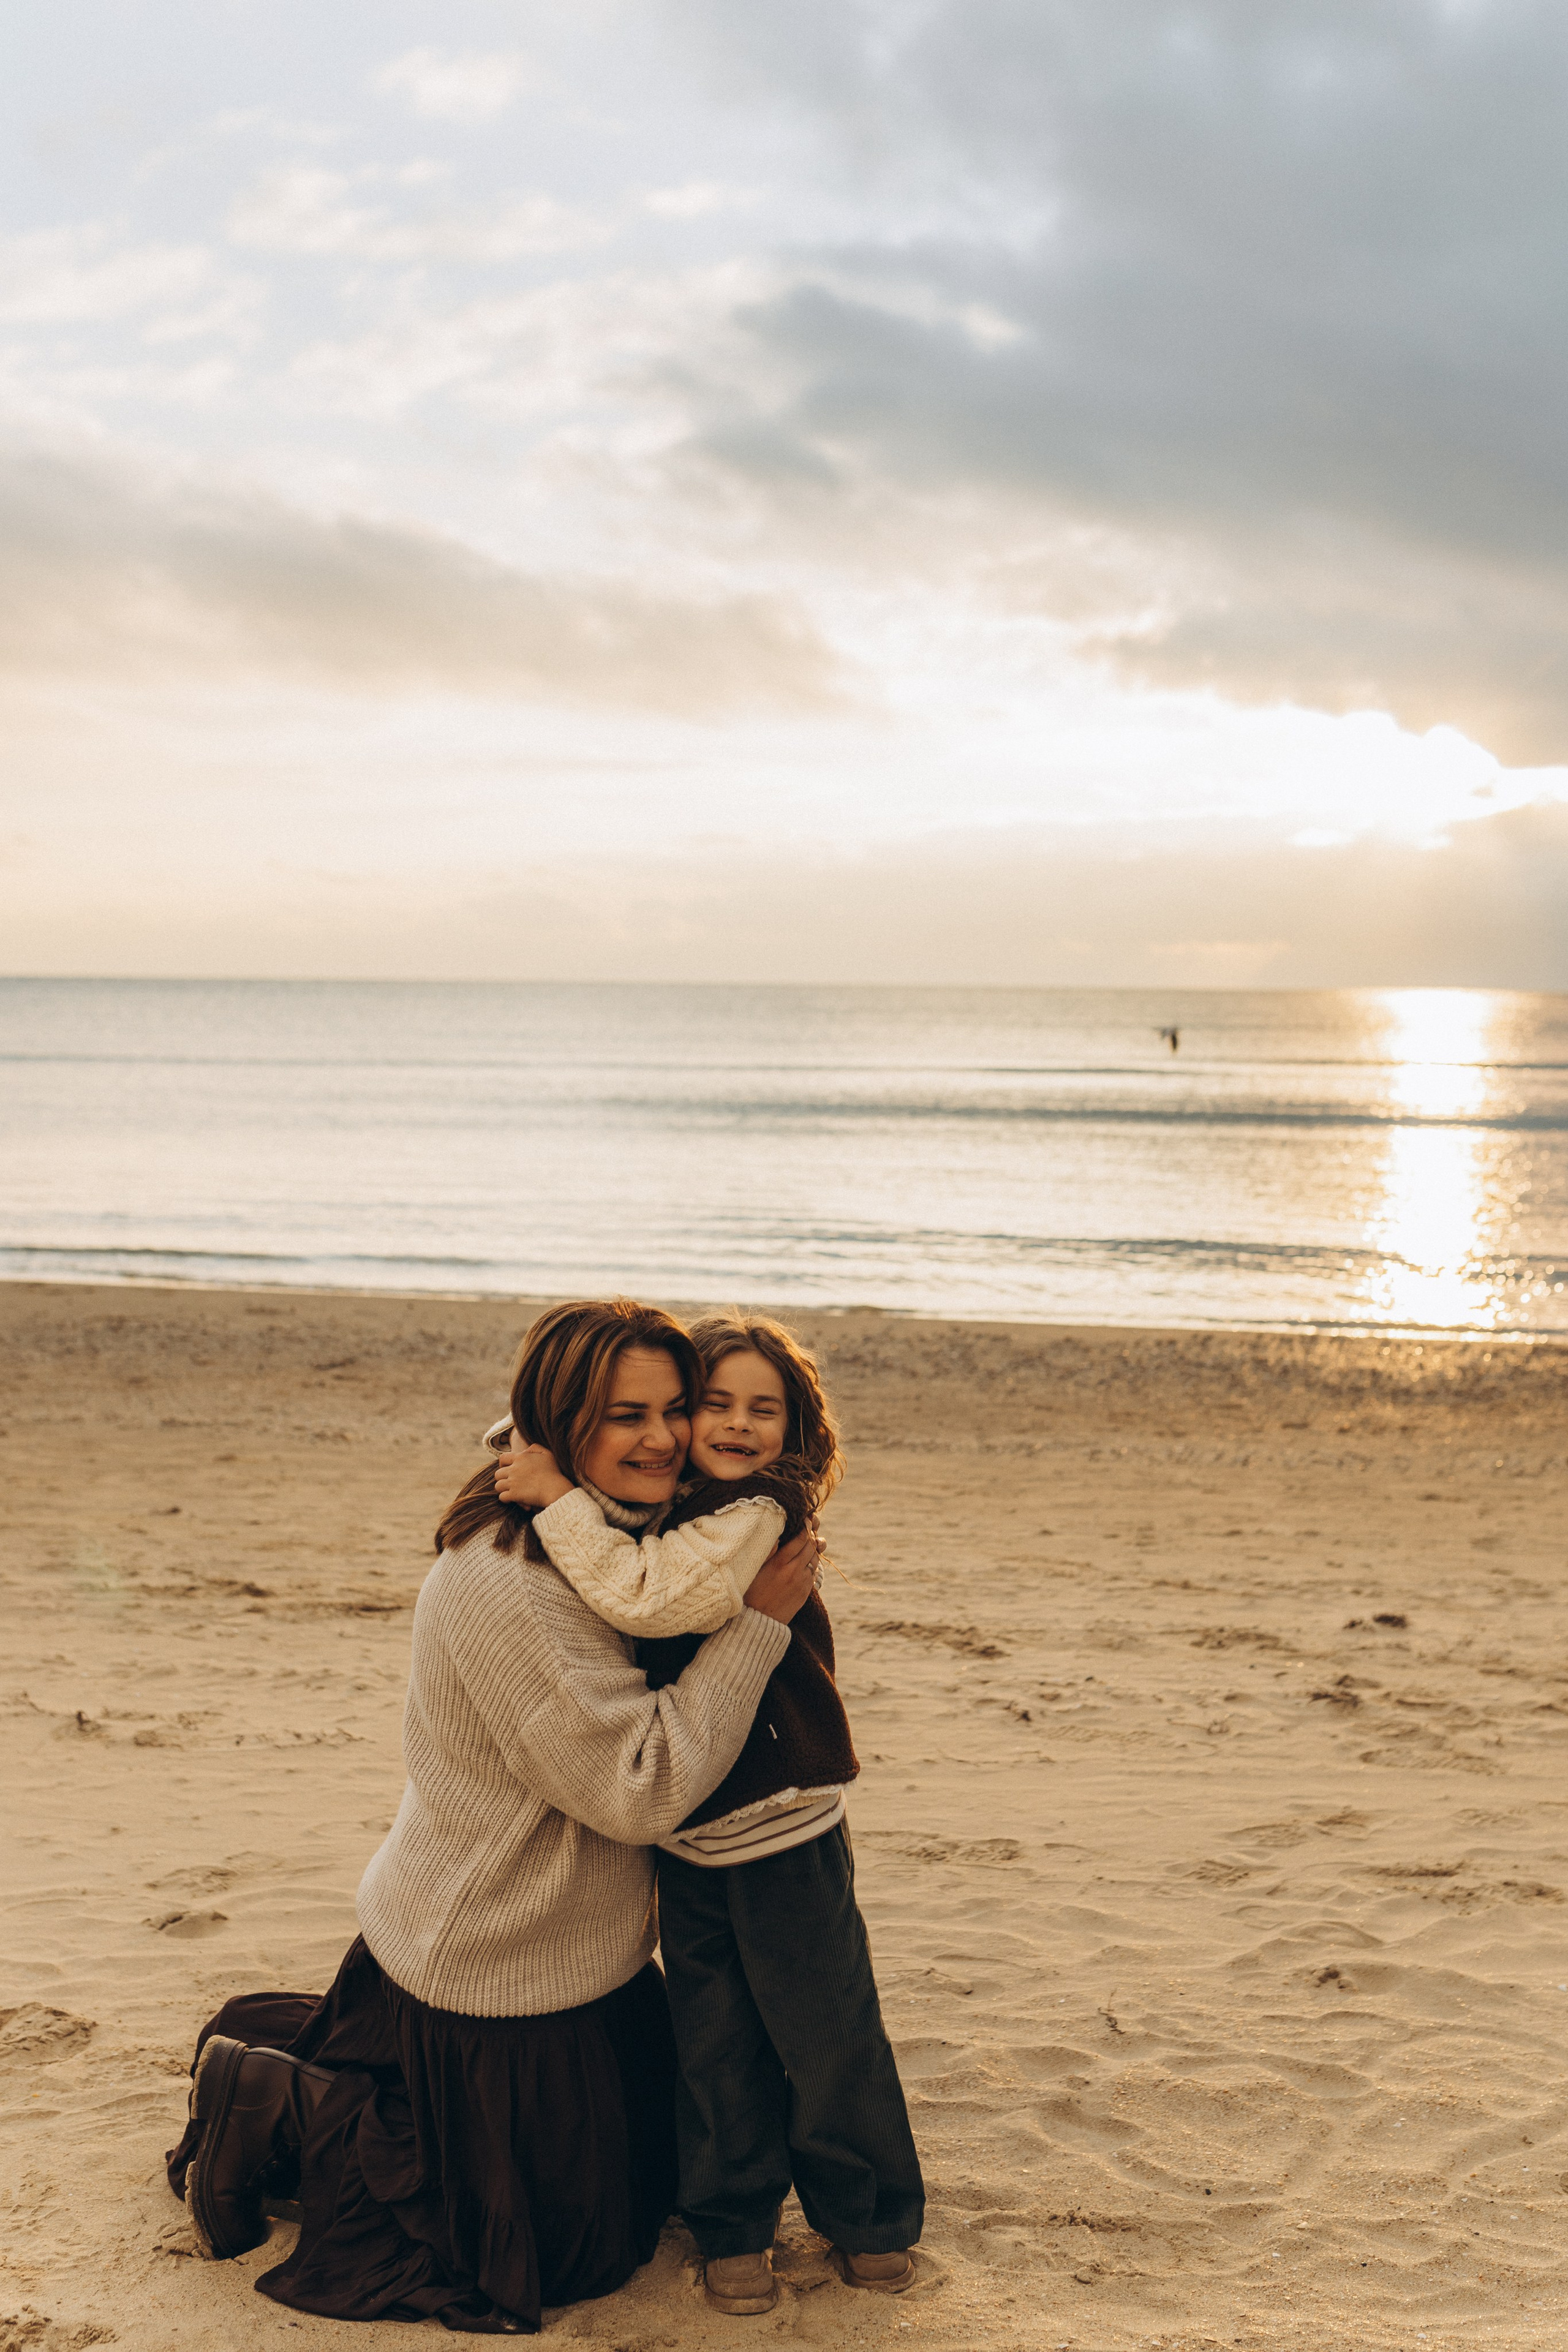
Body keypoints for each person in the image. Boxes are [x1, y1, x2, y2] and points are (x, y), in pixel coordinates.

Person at [167, 1298, 819, 2335]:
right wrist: (756, 1630)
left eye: (673, 1408)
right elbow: (641, 1788)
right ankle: (278, 2101)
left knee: (651, 2181)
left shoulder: (607, 1524)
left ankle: (319, 2072)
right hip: (495, 1948)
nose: (661, 1439)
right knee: (572, 2251)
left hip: (580, 1950)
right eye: (624, 1415)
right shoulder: (513, 1588)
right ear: (559, 1424)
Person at [495, 1311, 924, 2316]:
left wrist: (555, 1496)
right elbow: (599, 1456)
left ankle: (868, 2218)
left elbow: (653, 1602)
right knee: (714, 2043)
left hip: (782, 1831)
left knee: (828, 2038)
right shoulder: (675, 1495)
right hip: (689, 1836)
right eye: (712, 1403)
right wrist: (528, 1441)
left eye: (761, 1409)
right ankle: (732, 2227)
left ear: (795, 1428)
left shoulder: (757, 1510)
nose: (733, 1424)